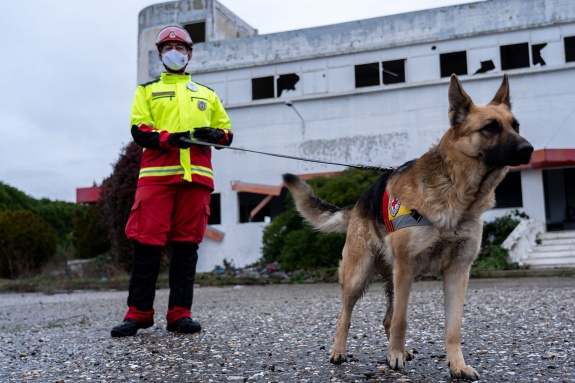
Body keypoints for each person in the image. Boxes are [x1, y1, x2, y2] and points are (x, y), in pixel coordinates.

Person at [111, 26, 233, 337]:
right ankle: (138, 313)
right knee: (146, 246)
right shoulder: (146, 91)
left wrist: (217, 135)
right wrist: (169, 139)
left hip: (197, 180)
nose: (174, 52)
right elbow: (140, 130)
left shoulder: (207, 94)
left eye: (180, 47)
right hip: (156, 180)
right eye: (168, 48)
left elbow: (227, 133)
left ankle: (180, 314)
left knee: (185, 249)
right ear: (160, 54)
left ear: (190, 53)